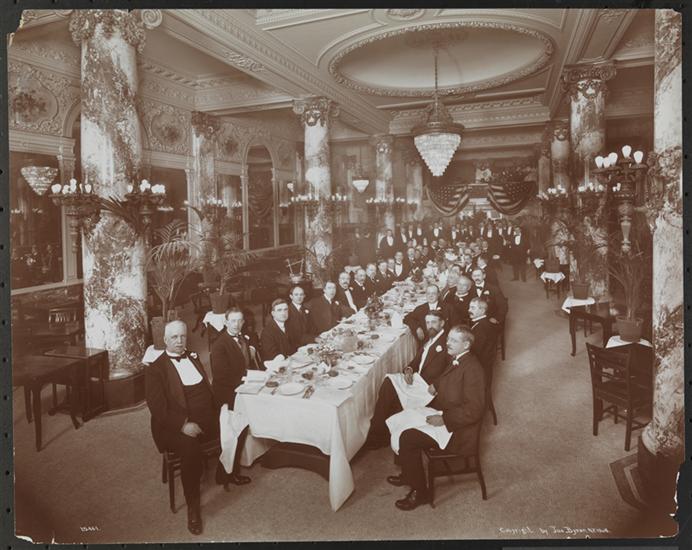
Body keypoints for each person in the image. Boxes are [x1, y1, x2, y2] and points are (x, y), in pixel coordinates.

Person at [387, 326, 485, 510]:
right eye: (448, 339)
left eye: (453, 340)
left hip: (458, 430)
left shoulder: (473, 369)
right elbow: (449, 376)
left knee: (408, 437)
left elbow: (475, 410)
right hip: (445, 412)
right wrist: (437, 384)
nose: (448, 343)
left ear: (466, 345)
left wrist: (445, 419)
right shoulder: (458, 358)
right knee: (402, 417)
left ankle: (420, 493)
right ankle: (408, 473)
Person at [145, 320, 222, 535]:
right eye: (174, 337)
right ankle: (193, 505)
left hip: (205, 416)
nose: (179, 341)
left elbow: (207, 389)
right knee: (190, 447)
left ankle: (226, 473)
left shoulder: (193, 357)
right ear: (165, 340)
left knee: (235, 418)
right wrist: (183, 425)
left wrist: (221, 409)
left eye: (183, 336)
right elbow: (158, 409)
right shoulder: (155, 369)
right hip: (172, 425)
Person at [365, 311, 449, 449]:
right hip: (416, 380)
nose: (430, 326)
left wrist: (437, 384)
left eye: (434, 322)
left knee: (389, 390)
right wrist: (409, 370)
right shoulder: (431, 338)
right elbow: (417, 360)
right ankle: (379, 432)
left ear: (442, 323)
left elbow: (452, 370)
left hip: (427, 388)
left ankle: (378, 435)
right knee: (388, 383)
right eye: (427, 322)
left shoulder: (446, 342)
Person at [210, 308, 257, 479]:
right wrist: (249, 379)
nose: (236, 325)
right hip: (227, 394)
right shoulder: (219, 345)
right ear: (225, 322)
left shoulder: (243, 338)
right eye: (233, 321)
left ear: (243, 322)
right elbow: (221, 376)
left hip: (242, 387)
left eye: (239, 321)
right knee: (236, 428)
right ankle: (228, 473)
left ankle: (253, 453)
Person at [468, 298, 498, 418]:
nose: (469, 310)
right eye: (469, 307)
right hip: (485, 365)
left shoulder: (481, 328)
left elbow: (474, 353)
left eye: (472, 308)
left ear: (482, 310)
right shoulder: (482, 324)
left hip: (481, 370)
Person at [286, 285, 316, 349]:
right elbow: (295, 335)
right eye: (296, 294)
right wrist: (314, 339)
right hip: (295, 346)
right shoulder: (287, 311)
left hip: (308, 342)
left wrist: (315, 337)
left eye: (301, 294)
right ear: (291, 296)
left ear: (304, 296)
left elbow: (312, 327)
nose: (299, 297)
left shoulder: (305, 309)